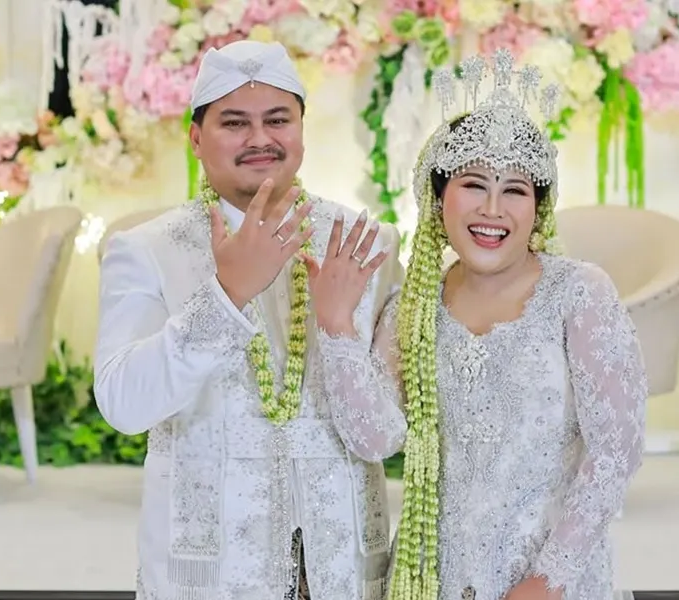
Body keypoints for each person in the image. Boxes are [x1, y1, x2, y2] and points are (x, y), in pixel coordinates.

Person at [325, 50, 649, 600]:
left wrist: (549, 579)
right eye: (474, 185)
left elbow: (616, 450)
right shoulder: (414, 308)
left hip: (551, 580)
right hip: (438, 577)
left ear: (538, 208)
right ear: (438, 197)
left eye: (515, 190)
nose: (493, 209)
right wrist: (336, 327)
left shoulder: (578, 294)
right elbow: (375, 438)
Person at [93, 40, 407, 600]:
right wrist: (227, 294)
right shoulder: (146, 250)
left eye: (277, 120)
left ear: (301, 130)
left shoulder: (365, 245)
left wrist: (337, 328)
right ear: (196, 139)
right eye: (235, 122)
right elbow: (124, 404)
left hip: (339, 566)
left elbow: (384, 437)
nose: (260, 138)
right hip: (211, 572)